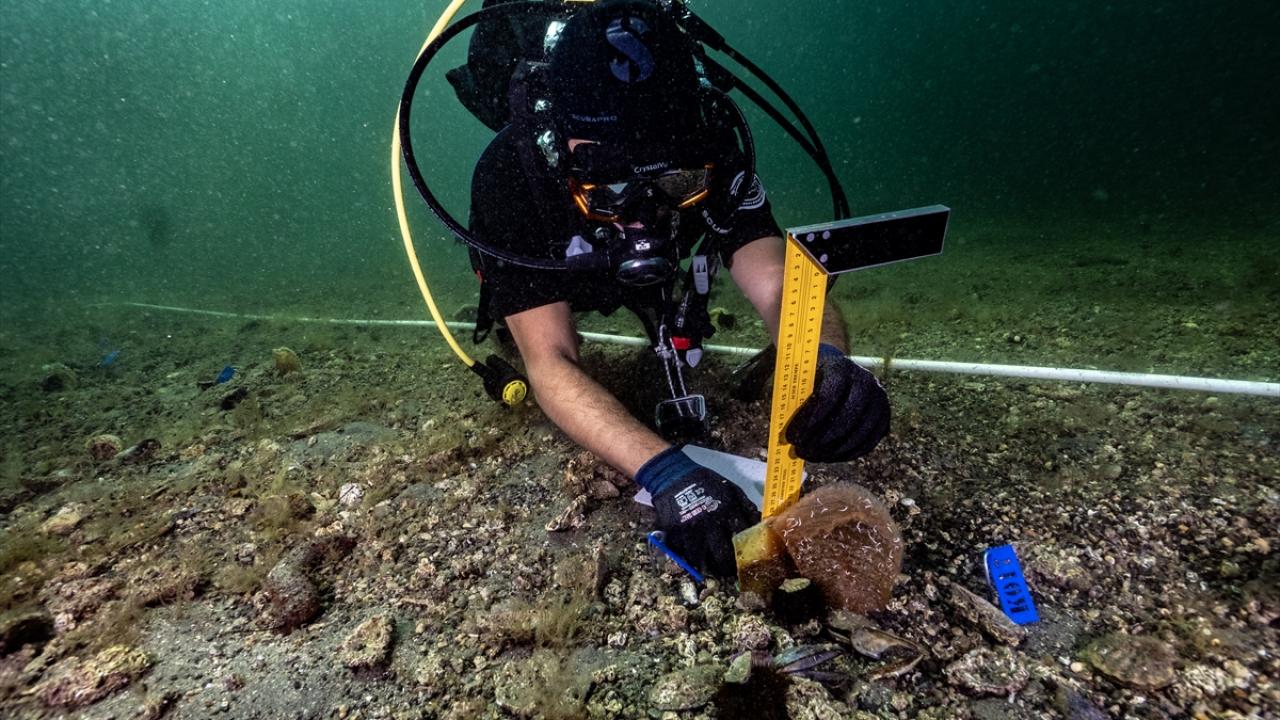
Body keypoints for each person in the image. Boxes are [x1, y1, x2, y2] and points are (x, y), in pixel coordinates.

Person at [466, 0, 889, 576]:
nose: (640, 219)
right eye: (609, 189)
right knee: (526, 338)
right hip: (557, 262)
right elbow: (551, 360)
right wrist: (667, 475)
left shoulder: (713, 147)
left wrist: (828, 358)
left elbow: (779, 284)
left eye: (675, 182)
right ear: (557, 149)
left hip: (649, 241)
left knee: (674, 300)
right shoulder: (513, 177)